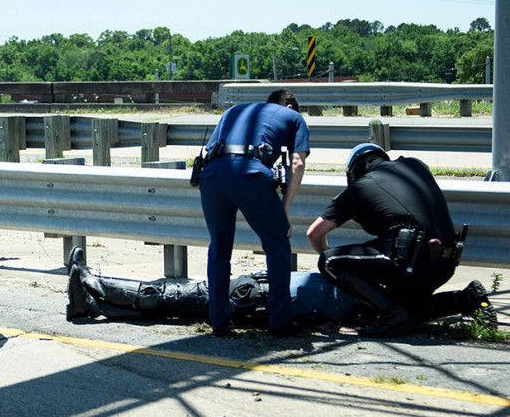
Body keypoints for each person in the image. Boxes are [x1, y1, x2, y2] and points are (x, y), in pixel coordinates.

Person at [306, 143, 493, 337]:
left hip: (408, 262)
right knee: (403, 306)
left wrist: (336, 268)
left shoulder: (360, 186)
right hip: (445, 263)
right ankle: (464, 299)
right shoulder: (415, 165)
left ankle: (392, 316)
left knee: (329, 261)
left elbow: (314, 233)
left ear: (356, 169)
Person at [197, 89, 310, 337]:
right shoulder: (293, 117)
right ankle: (279, 323)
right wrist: (284, 210)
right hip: (250, 175)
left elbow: (209, 151)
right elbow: (298, 163)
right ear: (290, 107)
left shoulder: (232, 111)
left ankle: (219, 322)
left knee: (219, 248)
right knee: (278, 245)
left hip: (213, 176)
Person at [65, 246, 362, 329]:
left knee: (168, 296)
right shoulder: (353, 294)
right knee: (170, 302)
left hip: (249, 298)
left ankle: (94, 285)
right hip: (252, 292)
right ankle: (90, 304)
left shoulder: (349, 301)